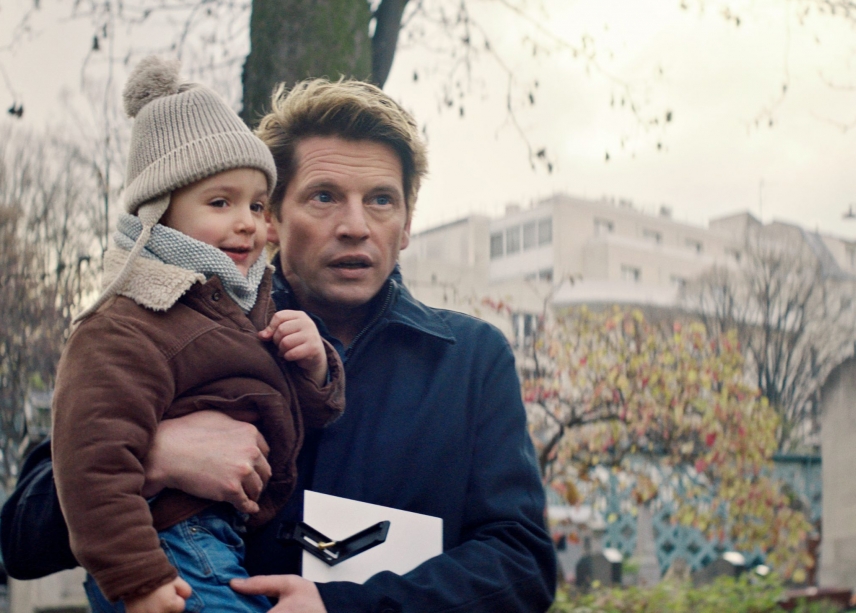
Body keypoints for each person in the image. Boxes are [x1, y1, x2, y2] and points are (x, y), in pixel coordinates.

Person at [1, 77, 556, 612]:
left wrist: (343, 608)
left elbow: (521, 566)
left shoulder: (473, 359)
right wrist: (157, 457)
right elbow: (19, 538)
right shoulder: (162, 323)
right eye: (324, 196)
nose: (355, 225)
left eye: (381, 200)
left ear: (407, 224)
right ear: (272, 220)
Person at [49, 57, 345, 613]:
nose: (247, 221)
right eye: (220, 202)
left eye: (256, 205)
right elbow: (91, 464)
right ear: (159, 213)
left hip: (221, 539)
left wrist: (314, 367)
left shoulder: (237, 308)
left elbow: (289, 419)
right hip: (170, 542)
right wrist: (139, 578)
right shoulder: (128, 324)